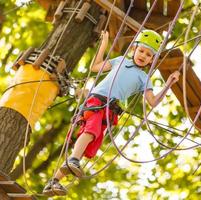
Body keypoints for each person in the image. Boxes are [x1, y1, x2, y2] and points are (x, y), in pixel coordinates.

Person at [43, 29, 180, 196]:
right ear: (133, 49)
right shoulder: (120, 61)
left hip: (110, 111)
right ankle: (72, 161)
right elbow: (95, 67)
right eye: (142, 50)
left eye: (149, 55)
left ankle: (54, 180)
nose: (143, 56)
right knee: (90, 132)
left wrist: (169, 84)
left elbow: (152, 102)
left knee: (89, 144)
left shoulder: (144, 79)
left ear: (152, 60)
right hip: (97, 101)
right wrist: (104, 44)